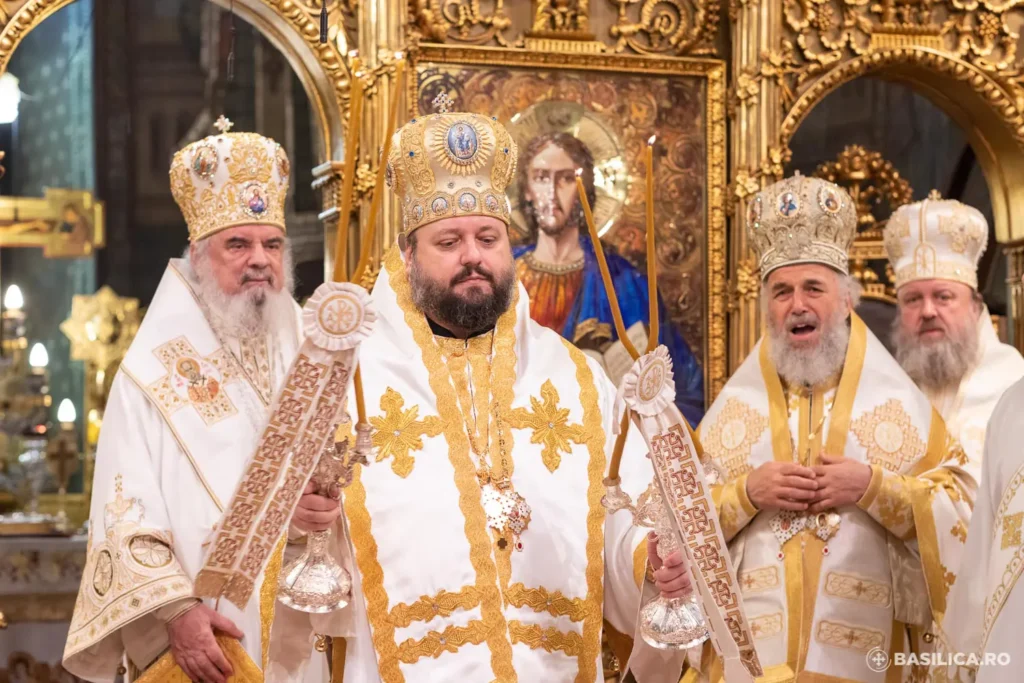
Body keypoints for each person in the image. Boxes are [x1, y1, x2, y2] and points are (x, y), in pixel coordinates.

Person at [288, 106, 696, 682]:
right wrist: (300, 520)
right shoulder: (346, 382)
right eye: (448, 241)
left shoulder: (577, 378)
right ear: (408, 257)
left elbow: (623, 519)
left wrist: (651, 567)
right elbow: (290, 553)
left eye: (488, 238)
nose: (472, 256)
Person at [62, 118, 337, 682]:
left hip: (311, 629)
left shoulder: (314, 354)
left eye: (272, 244)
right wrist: (178, 614)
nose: (259, 258)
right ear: (197, 254)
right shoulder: (147, 374)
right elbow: (123, 515)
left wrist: (331, 506)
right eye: (237, 243)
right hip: (210, 637)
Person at [684, 174, 976, 682]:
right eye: (781, 292)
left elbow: (962, 520)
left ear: (845, 301)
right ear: (767, 307)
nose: (797, 305)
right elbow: (677, 526)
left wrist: (873, 487)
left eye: (813, 288)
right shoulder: (734, 413)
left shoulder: (900, 407)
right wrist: (747, 493)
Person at [511, 132, 705, 426]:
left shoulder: (624, 282)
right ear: (526, 188)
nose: (551, 191)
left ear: (583, 189)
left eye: (564, 179)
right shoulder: (505, 276)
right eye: (540, 177)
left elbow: (680, 385)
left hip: (605, 440)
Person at [884, 194, 1024, 460]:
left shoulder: (1012, 381)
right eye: (913, 299)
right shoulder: (883, 390)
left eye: (943, 296)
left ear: (975, 307)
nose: (927, 311)